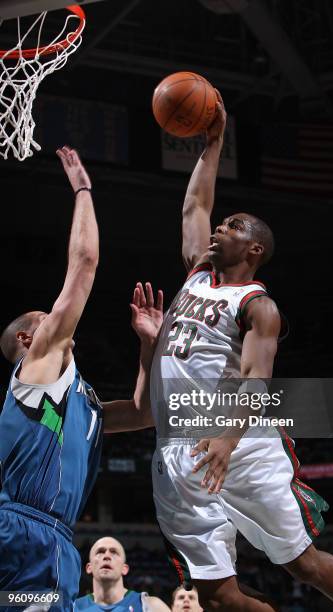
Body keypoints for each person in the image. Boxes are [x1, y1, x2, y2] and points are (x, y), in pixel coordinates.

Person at [147, 92, 333, 612]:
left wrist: (229, 441)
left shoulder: (259, 306)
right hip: (181, 441)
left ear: (253, 249)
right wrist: (214, 141)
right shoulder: (196, 275)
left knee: (299, 560)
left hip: (243, 439)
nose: (218, 229)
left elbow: (257, 380)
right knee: (217, 598)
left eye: (231, 227)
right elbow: (195, 205)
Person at [0, 148, 159, 611]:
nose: (57, 318)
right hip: (26, 532)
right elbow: (85, 262)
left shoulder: (77, 397)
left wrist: (148, 347)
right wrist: (83, 189)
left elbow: (143, 412)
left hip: (50, 540)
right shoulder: (38, 366)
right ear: (30, 337)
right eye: (46, 318)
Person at [75, 536, 170, 612]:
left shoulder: (151, 606)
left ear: (124, 569)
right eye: (100, 552)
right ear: (89, 567)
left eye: (114, 552)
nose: (107, 556)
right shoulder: (72, 608)